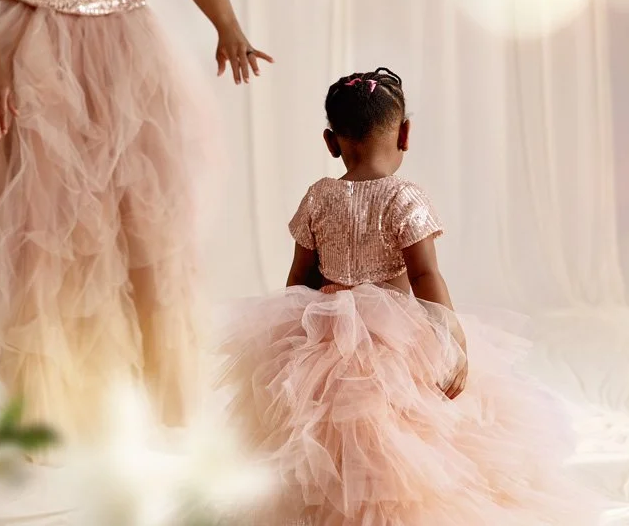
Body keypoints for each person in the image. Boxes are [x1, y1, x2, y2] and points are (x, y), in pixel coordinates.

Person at [0, 0, 272, 444]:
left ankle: (148, 398)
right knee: (38, 229)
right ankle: (35, 405)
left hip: (125, 60)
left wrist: (227, 25)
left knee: (141, 229)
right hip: (32, 57)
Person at [218, 68, 599, 524]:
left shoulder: (318, 196)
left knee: (327, 427)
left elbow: (300, 279)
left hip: (325, 338)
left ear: (331, 141)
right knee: (403, 429)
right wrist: (450, 335)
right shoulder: (404, 196)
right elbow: (424, 274)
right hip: (396, 340)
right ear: (405, 134)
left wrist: (297, 335)